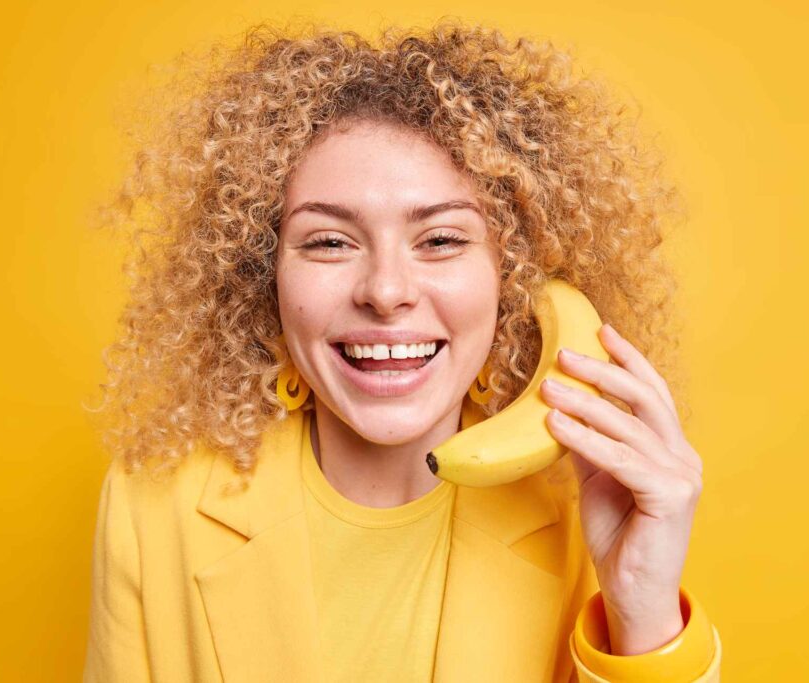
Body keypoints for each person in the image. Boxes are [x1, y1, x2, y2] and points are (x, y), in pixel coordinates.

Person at [82, 19, 721, 682]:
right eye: (329, 241)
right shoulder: (151, 507)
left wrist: (642, 610)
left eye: (441, 240)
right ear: (261, 276)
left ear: (516, 276)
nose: (386, 292)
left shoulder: (592, 512)